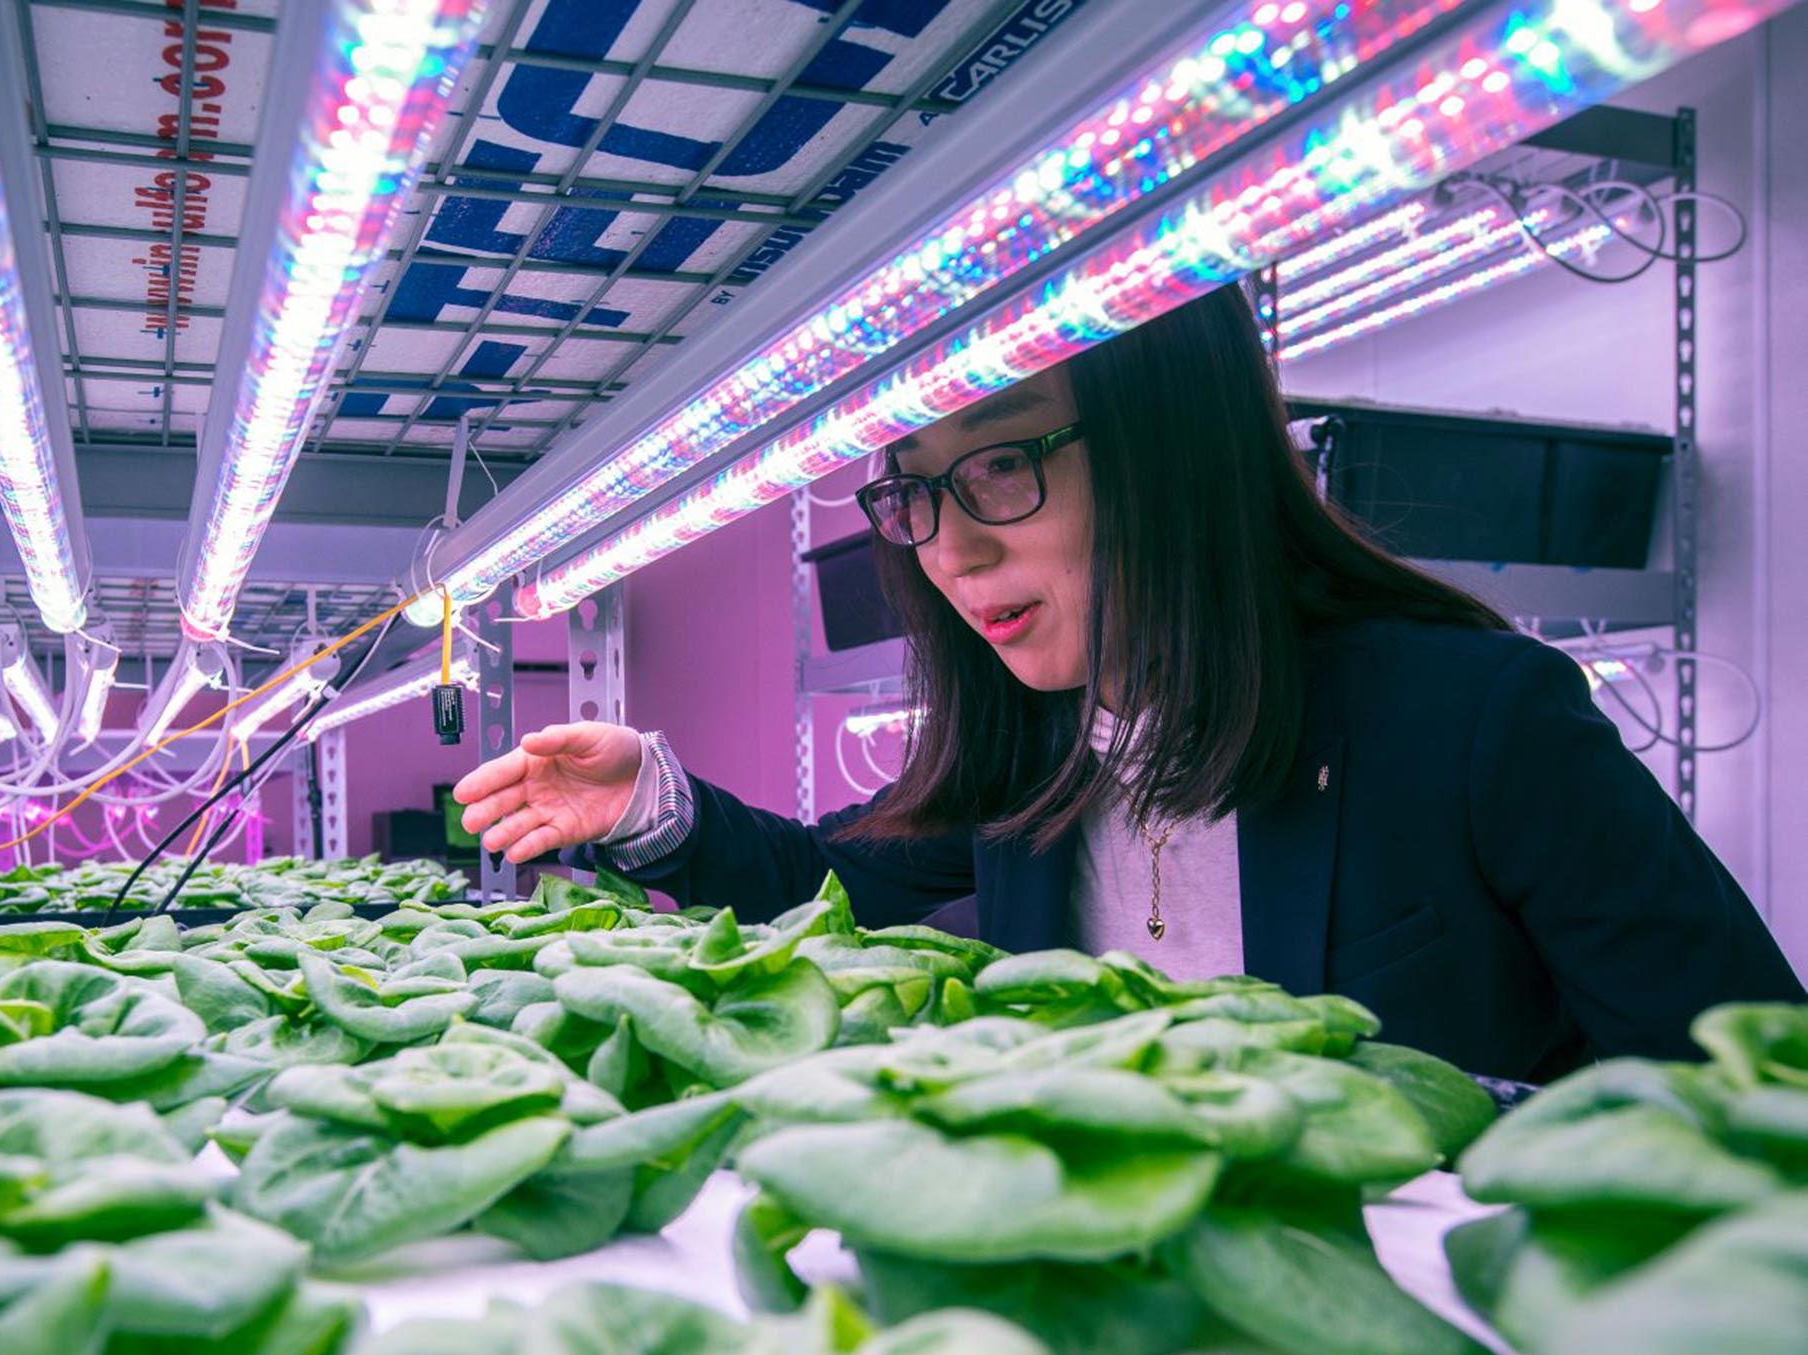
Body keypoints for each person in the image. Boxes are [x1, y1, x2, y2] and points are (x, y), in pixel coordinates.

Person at [454, 286, 1800, 1082]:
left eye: (1000, 464)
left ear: (1173, 452)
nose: (953, 548)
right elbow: (847, 891)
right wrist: (653, 806)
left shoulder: (1475, 720)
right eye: (916, 494)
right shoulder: (1040, 747)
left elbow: (1750, 1091)